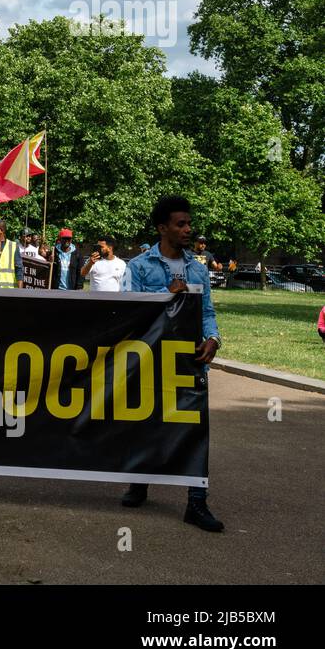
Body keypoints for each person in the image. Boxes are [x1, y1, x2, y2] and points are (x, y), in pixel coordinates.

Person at [119, 195, 223, 532]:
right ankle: (140, 483)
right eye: (181, 224)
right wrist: (167, 294)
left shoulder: (198, 269)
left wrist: (213, 340)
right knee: (147, 424)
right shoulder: (138, 267)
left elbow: (207, 313)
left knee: (195, 431)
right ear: (163, 228)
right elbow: (129, 316)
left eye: (189, 223)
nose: (188, 230)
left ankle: (196, 502)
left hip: (190, 364)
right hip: (150, 363)